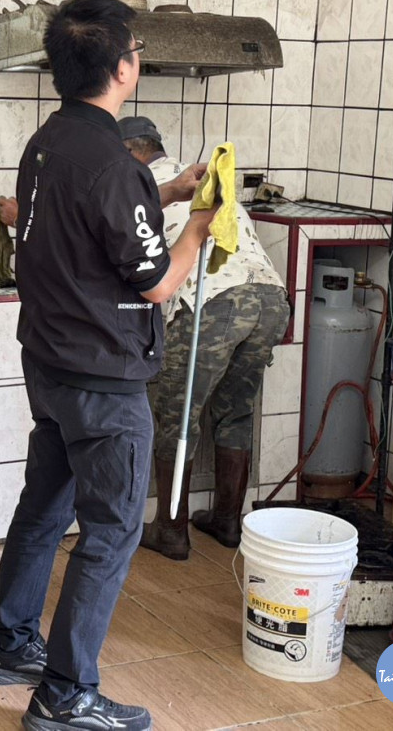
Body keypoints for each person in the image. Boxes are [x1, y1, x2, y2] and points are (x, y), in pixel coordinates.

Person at [0, 0, 214, 731]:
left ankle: (10, 644)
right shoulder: (113, 161)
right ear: (122, 67)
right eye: (135, 48)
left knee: (45, 506)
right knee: (111, 530)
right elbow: (157, 282)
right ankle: (65, 692)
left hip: (49, 363)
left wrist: (166, 192)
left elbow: (93, 219)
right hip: (104, 378)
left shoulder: (47, 142)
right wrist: (199, 226)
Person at [122, 116, 290, 561]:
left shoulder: (138, 187)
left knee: (178, 416)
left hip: (213, 302)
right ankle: (228, 521)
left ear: (130, 152)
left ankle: (171, 530)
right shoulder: (200, 177)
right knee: (236, 411)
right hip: (271, 298)